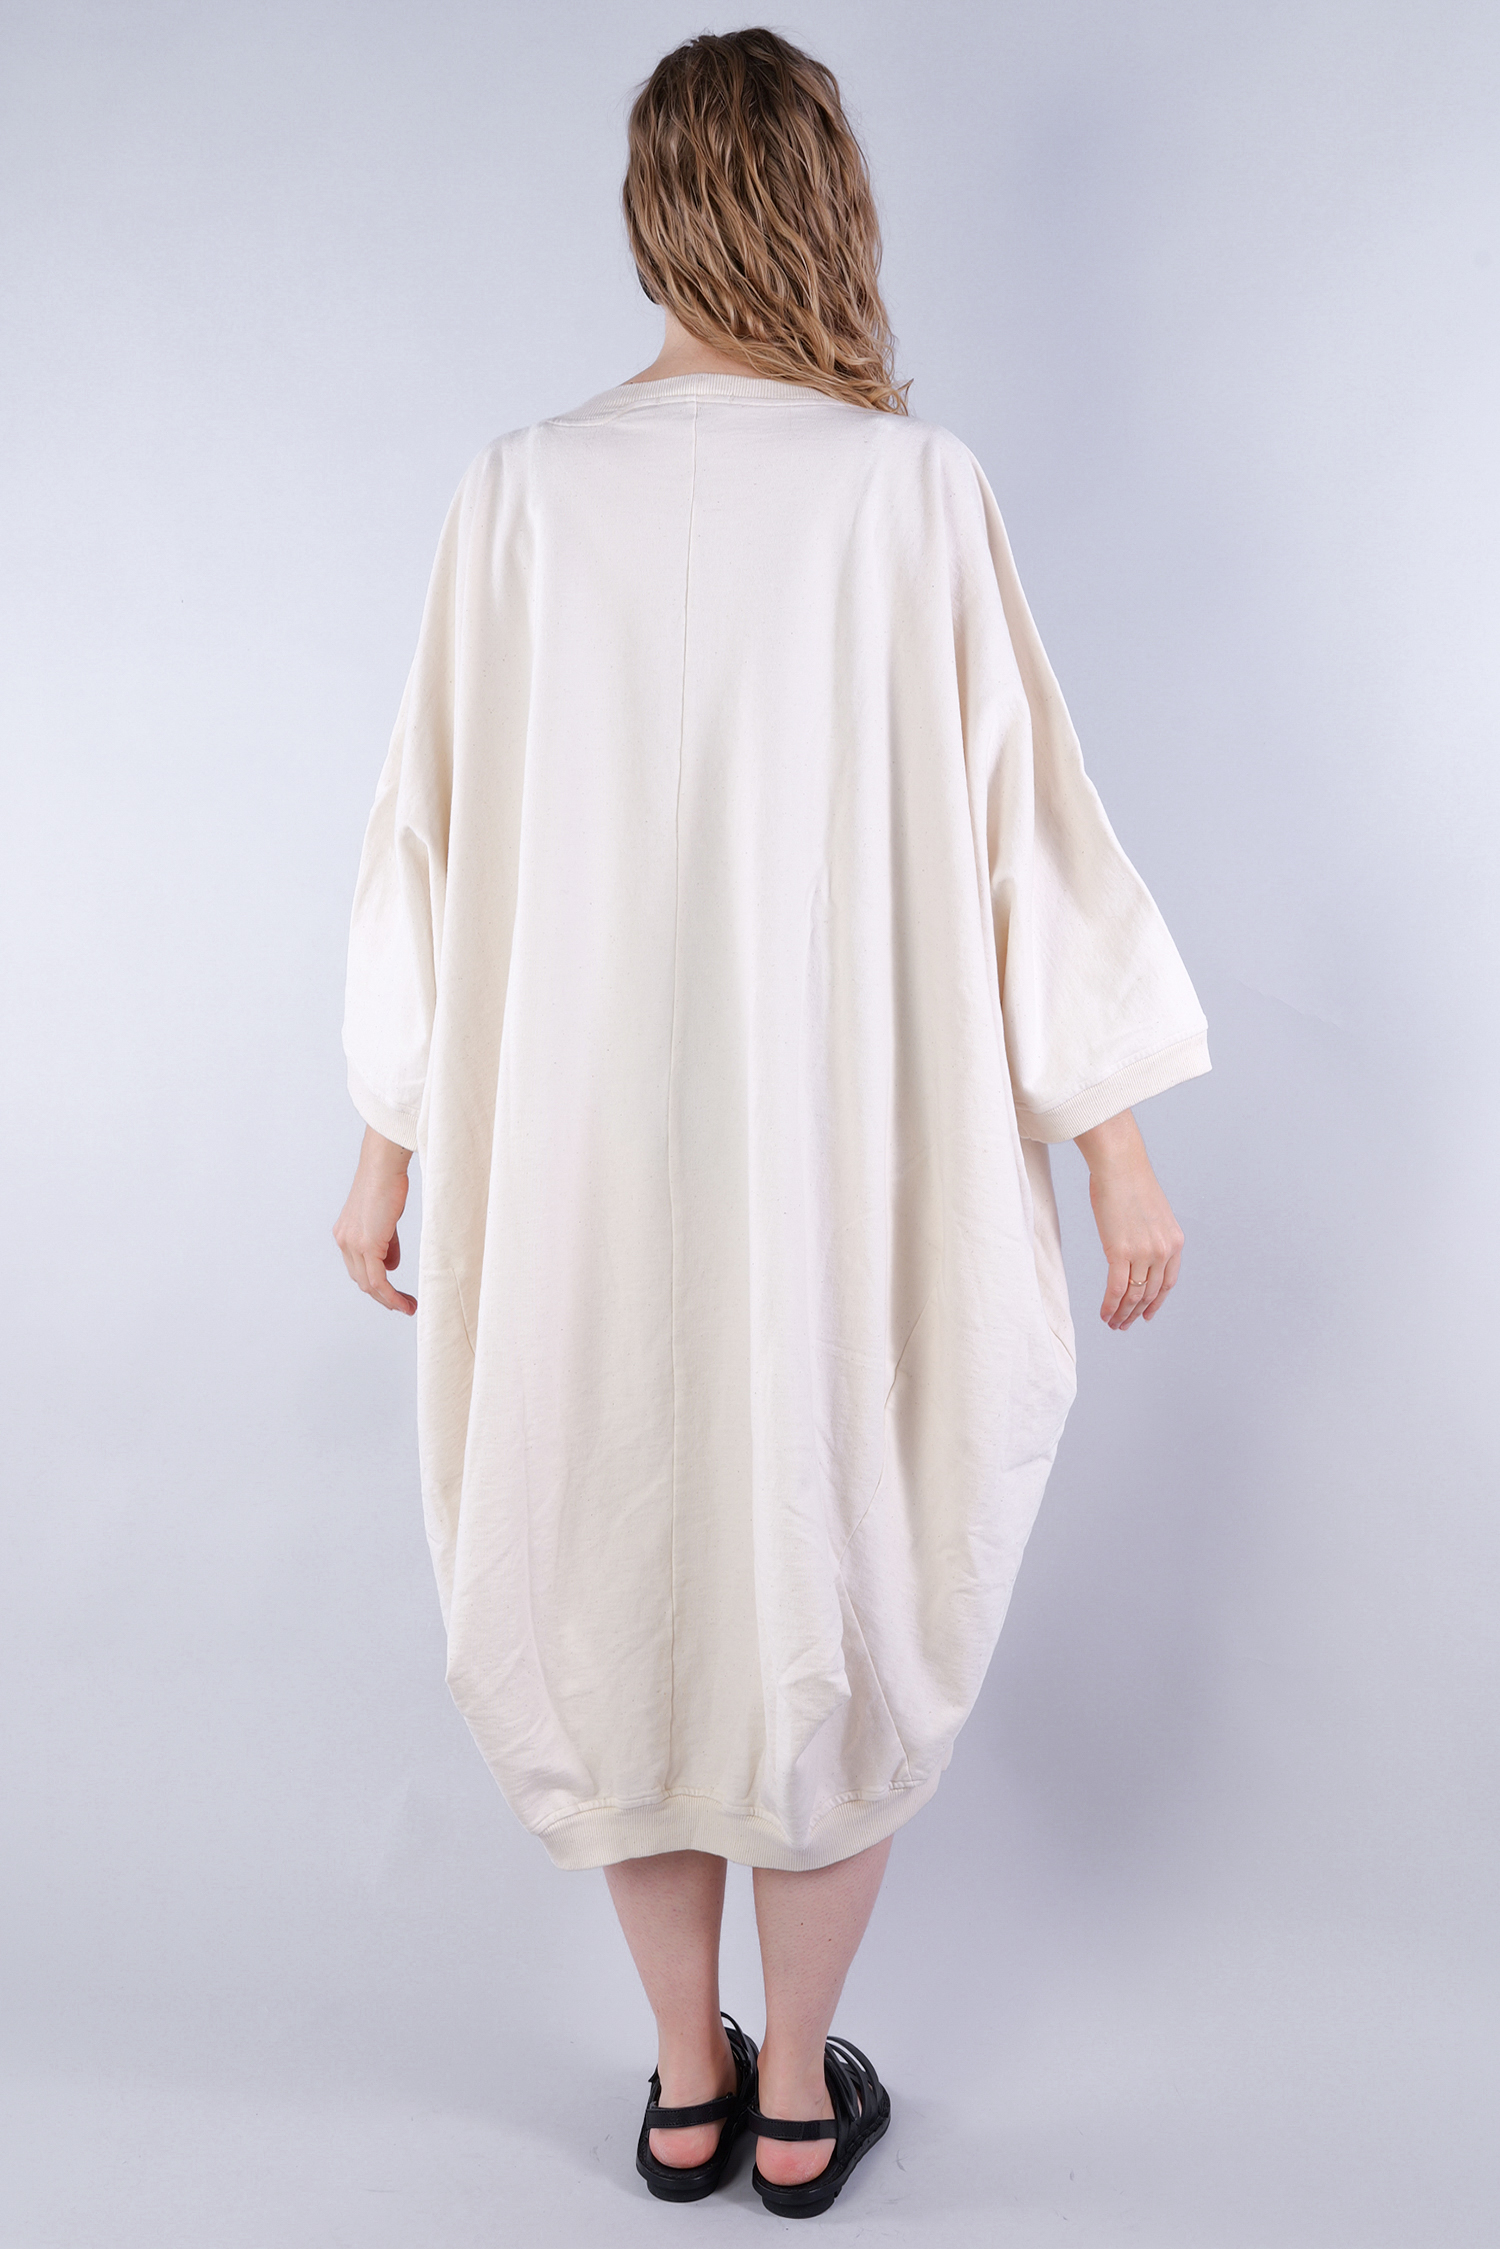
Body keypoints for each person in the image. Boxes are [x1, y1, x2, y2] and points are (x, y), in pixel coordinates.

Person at [333, 26, 1209, 2221]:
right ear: (828, 200)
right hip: (846, 1162)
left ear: (651, 213)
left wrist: (388, 1145)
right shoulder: (914, 494)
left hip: (578, 1167)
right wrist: (1112, 1143)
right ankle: (799, 2093)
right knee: (839, 1563)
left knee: (613, 1574)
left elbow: (420, 844)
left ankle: (680, 2082)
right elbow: (1034, 838)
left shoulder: (518, 495)